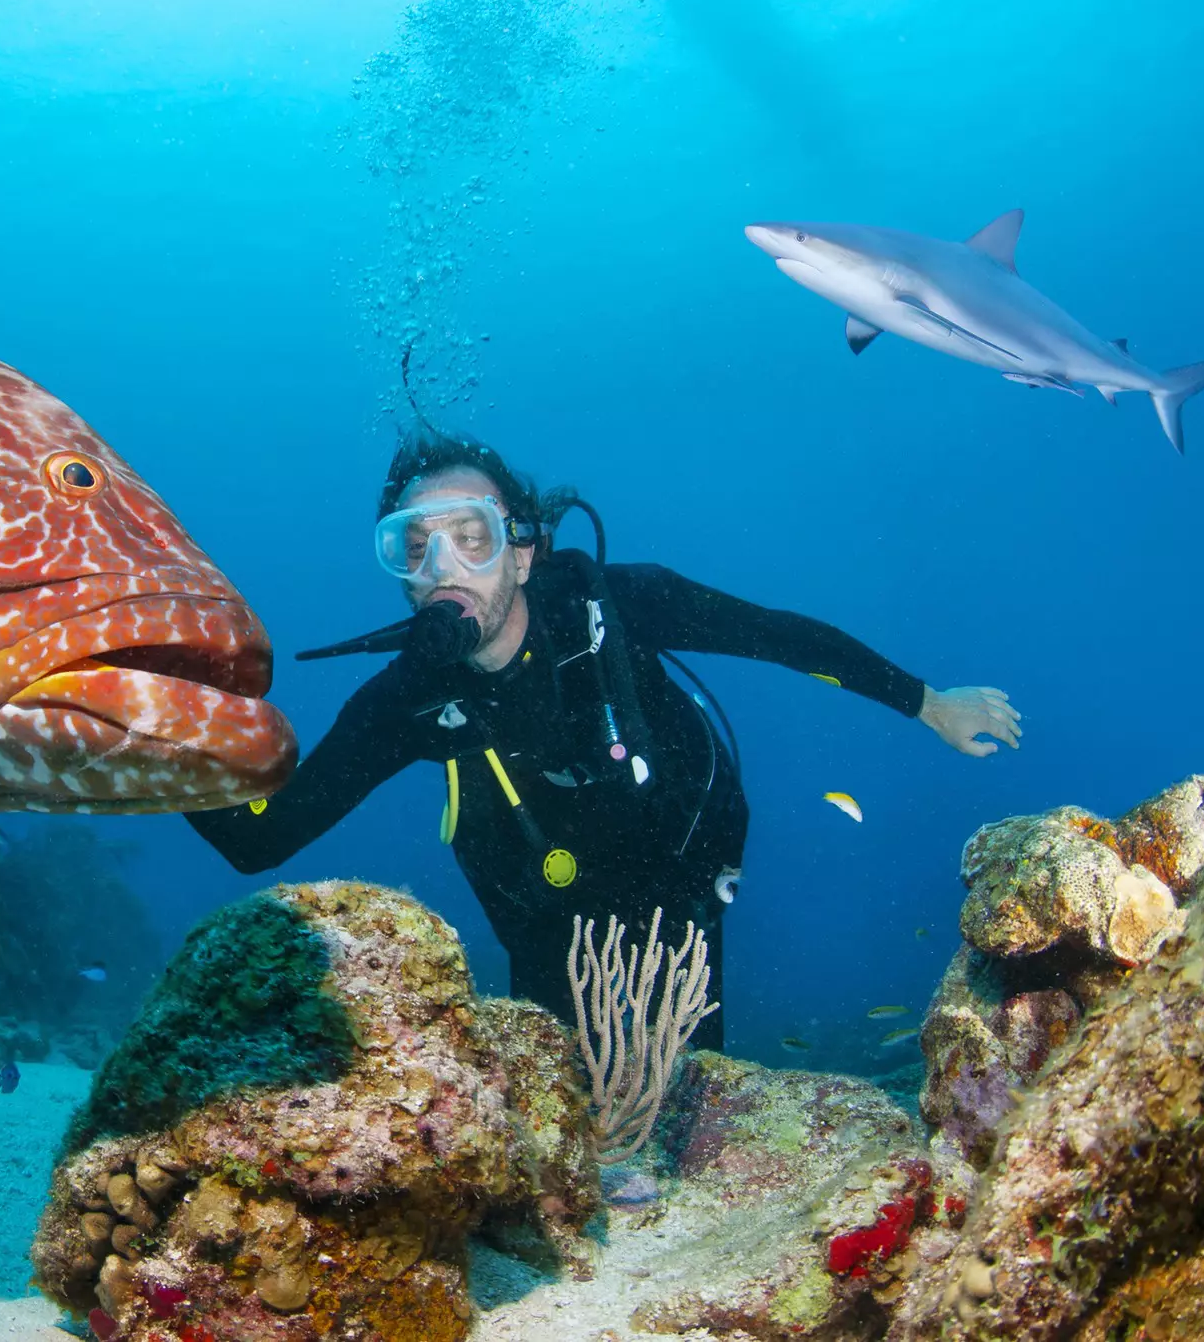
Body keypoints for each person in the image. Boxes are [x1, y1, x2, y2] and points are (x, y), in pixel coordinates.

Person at [185, 433, 1020, 1047]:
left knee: (691, 1078)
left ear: (523, 549)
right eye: (413, 545)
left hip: (681, 866)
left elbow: (783, 638)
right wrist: (146, 736)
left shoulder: (618, 604)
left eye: (471, 535)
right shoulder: (407, 696)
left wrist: (930, 704)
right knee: (556, 1101)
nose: (442, 565)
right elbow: (262, 840)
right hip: (543, 915)